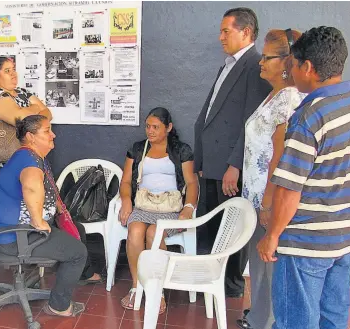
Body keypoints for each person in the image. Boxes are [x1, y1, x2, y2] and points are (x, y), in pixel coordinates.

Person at [258, 26, 350, 329]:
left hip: (305, 243)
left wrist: (273, 236)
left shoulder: (309, 116)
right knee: (333, 318)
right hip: (345, 237)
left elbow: (290, 187)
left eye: (293, 64)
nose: (290, 70)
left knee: (296, 321)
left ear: (307, 67)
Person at [193, 7, 271, 297]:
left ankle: (231, 287)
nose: (220, 37)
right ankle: (214, 280)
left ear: (246, 32)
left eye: (226, 31)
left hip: (229, 165)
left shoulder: (255, 65)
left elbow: (251, 122)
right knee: (214, 225)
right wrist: (201, 158)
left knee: (233, 229)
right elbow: (209, 115)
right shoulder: (228, 64)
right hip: (213, 162)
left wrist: (234, 165)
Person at [236, 29, 306, 329]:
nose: (261, 62)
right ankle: (259, 317)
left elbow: (280, 156)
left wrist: (267, 202)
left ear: (287, 62)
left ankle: (270, 322)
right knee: (259, 265)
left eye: (267, 57)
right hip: (255, 197)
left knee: (270, 266)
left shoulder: (288, 100)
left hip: (269, 198)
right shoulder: (273, 95)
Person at [0, 115, 87, 317]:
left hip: (20, 231)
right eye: (47, 131)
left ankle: (80, 275)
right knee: (78, 253)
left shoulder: (31, 156)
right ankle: (59, 306)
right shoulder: (28, 160)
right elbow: (32, 187)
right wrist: (38, 221)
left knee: (79, 230)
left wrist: (58, 206)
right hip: (16, 236)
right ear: (31, 137)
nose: (53, 134)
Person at [119, 107, 199, 314]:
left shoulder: (181, 150)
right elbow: (126, 180)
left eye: (156, 127)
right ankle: (136, 286)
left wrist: (188, 208)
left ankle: (157, 290)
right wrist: (126, 200)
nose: (150, 131)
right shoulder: (138, 149)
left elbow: (191, 183)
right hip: (143, 204)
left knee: (154, 233)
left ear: (168, 127)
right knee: (135, 230)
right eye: (148, 126)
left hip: (170, 208)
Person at [0, 56, 52, 206]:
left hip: (27, 156)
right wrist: (34, 108)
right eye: (7, 71)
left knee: (30, 201)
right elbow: (19, 119)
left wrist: (29, 112)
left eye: (13, 70)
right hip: (6, 161)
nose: (13, 74)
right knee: (12, 206)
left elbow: (47, 114)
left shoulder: (21, 92)